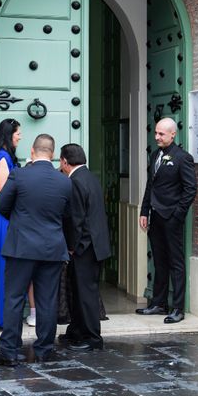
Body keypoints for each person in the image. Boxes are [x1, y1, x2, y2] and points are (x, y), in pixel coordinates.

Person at [0, 134, 71, 366]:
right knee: (47, 300)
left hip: (21, 247)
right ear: (52, 155)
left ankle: (9, 351)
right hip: (52, 248)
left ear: (33, 152)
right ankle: (45, 349)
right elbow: (69, 215)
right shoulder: (64, 180)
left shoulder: (20, 175)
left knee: (13, 298)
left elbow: (1, 205)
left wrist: (21, 222)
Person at [137, 117, 197, 324]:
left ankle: (178, 308)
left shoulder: (182, 158)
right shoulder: (155, 155)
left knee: (176, 262)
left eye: (161, 134)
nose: (157, 137)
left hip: (171, 217)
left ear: (173, 134)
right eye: (156, 133)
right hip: (155, 215)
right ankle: (158, 303)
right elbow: (150, 186)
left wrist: (177, 214)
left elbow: (190, 189)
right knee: (159, 261)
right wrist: (144, 211)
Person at [59, 143, 111, 351]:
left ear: (64, 161)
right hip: (96, 244)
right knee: (80, 291)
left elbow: (76, 219)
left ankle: (92, 338)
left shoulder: (76, 182)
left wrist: (71, 246)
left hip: (86, 247)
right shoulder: (89, 177)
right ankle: (77, 330)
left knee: (86, 293)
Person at [0, 118, 21, 331]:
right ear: (10, 134)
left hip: (6, 215)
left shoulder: (6, 156)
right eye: (17, 134)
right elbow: (3, 190)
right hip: (1, 216)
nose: (20, 137)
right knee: (1, 265)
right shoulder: (2, 157)